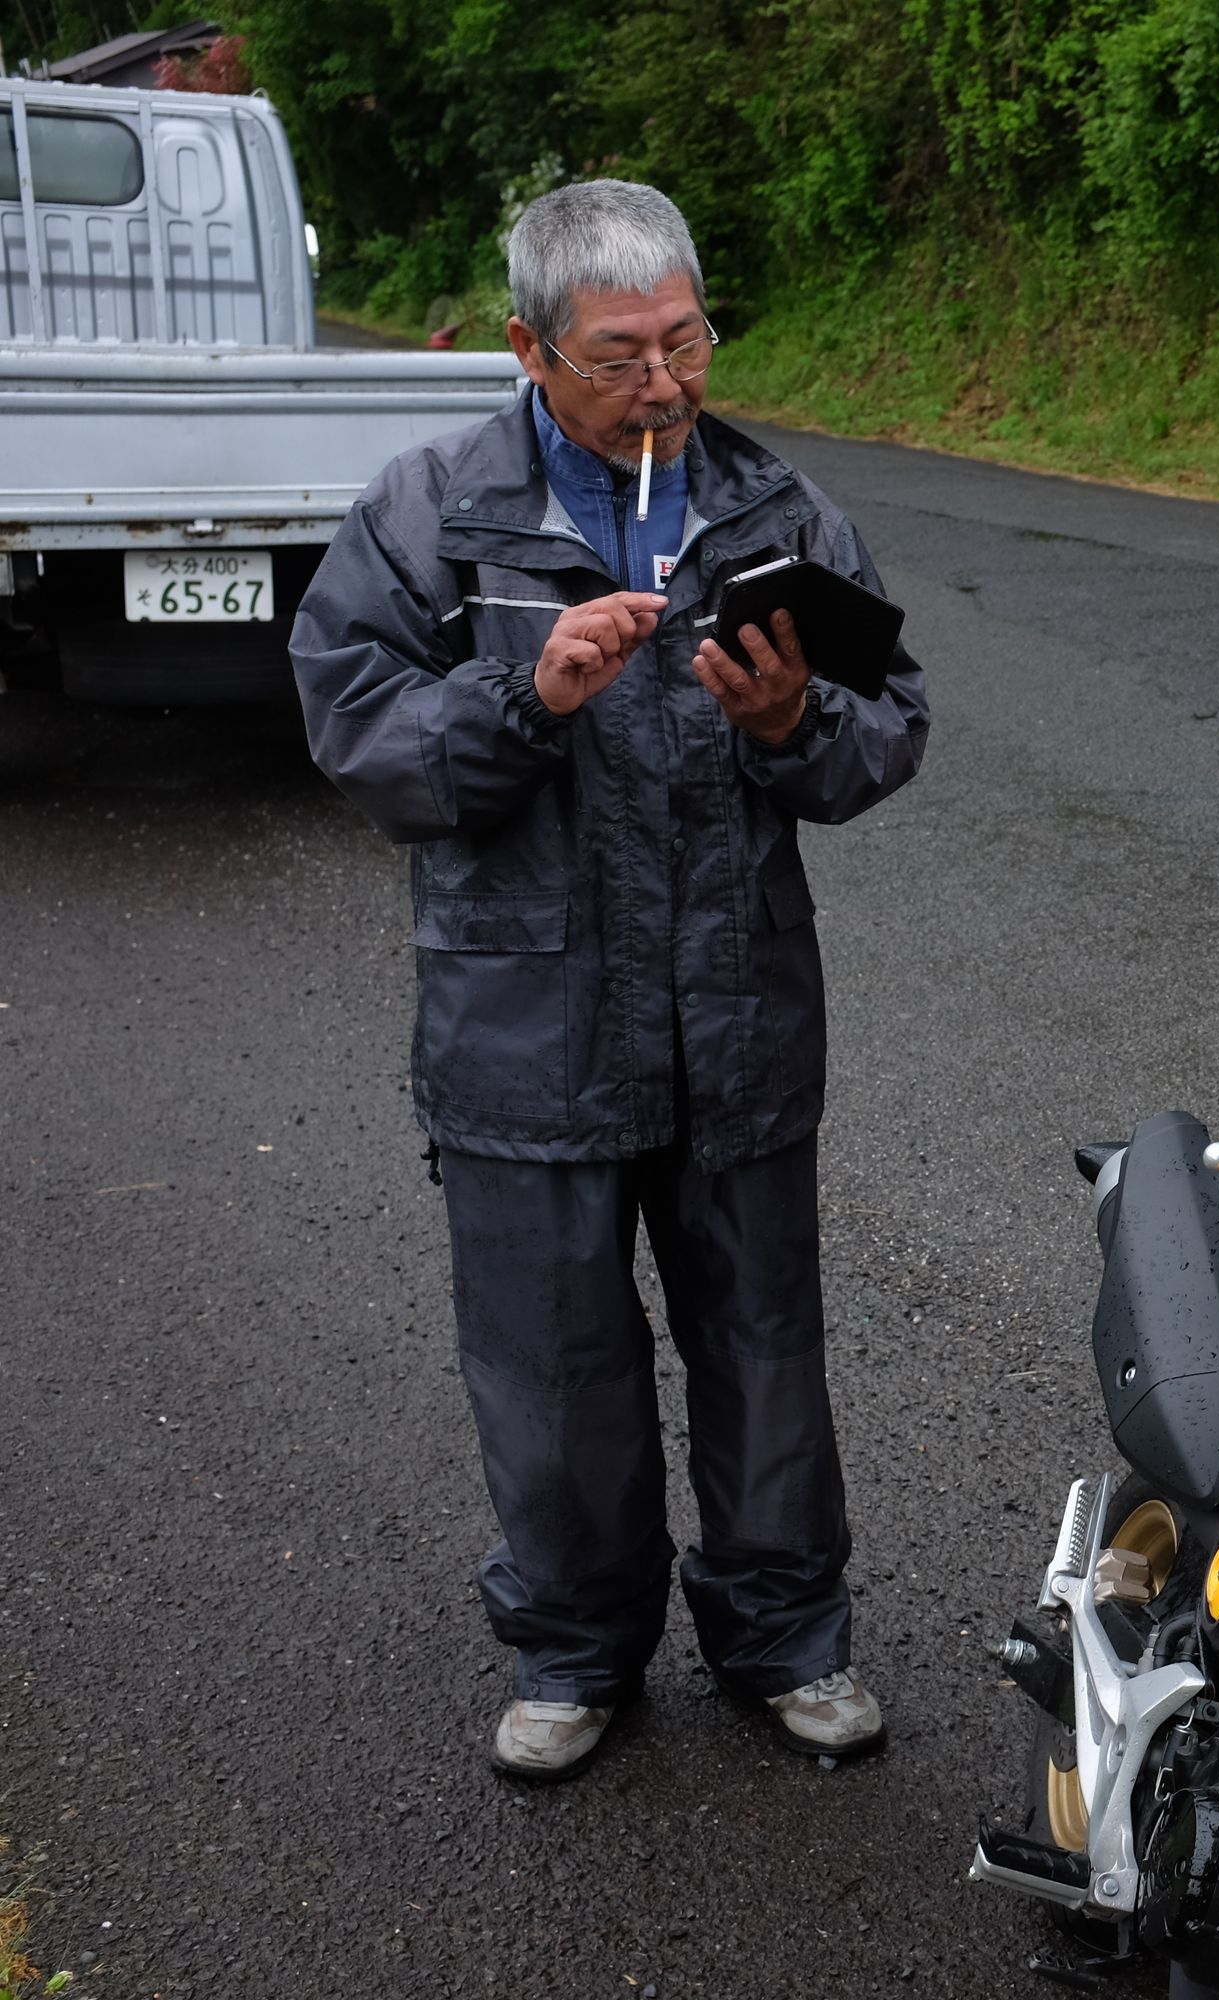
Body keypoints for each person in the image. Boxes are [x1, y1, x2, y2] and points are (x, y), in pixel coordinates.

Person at [289, 180, 928, 1779]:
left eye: (687, 340)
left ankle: (786, 1638)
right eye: (620, 353)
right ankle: (572, 1651)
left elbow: (886, 726)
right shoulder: (436, 512)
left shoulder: (773, 513)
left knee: (766, 1342)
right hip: (527, 1025)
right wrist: (525, 697)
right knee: (551, 1363)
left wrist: (792, 726)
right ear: (527, 349)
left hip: (738, 1018)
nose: (665, 384)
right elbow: (353, 726)